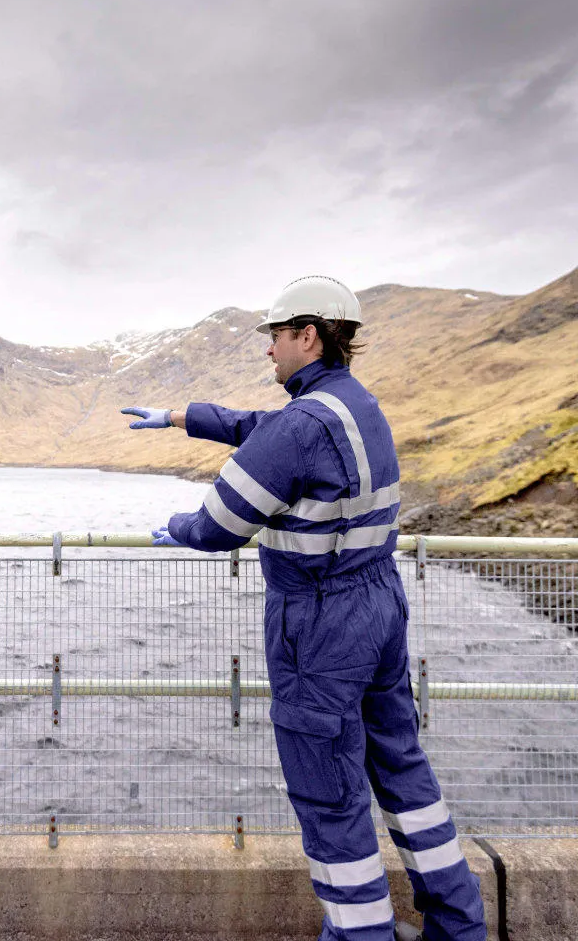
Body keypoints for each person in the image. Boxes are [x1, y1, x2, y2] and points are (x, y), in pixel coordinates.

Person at [121, 276, 485, 941]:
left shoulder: (301, 423)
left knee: (330, 794)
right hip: (378, 605)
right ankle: (459, 926)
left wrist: (180, 524)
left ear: (308, 334)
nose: (269, 352)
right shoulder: (353, 406)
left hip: (319, 625)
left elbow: (220, 522)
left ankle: (360, 934)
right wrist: (179, 417)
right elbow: (264, 430)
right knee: (401, 767)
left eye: (275, 337)